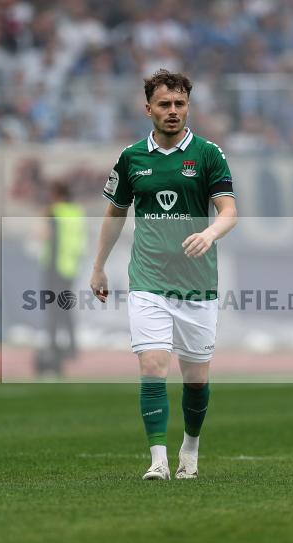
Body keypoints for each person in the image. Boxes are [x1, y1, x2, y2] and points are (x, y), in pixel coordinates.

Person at [90, 69, 238, 480]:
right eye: (164, 104)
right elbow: (115, 214)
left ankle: (190, 448)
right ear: (148, 109)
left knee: (196, 379)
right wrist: (99, 266)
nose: (173, 111)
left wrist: (209, 233)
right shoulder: (131, 158)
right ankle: (158, 459)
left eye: (180, 104)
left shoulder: (208, 154)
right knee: (153, 366)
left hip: (197, 285)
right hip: (148, 280)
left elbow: (228, 211)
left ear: (188, 107)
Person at [38, 180, 87, 374]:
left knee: (52, 309)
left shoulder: (54, 211)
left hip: (54, 266)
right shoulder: (77, 212)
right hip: (70, 267)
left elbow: (45, 235)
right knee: (66, 308)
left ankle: (53, 346)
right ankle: (72, 347)